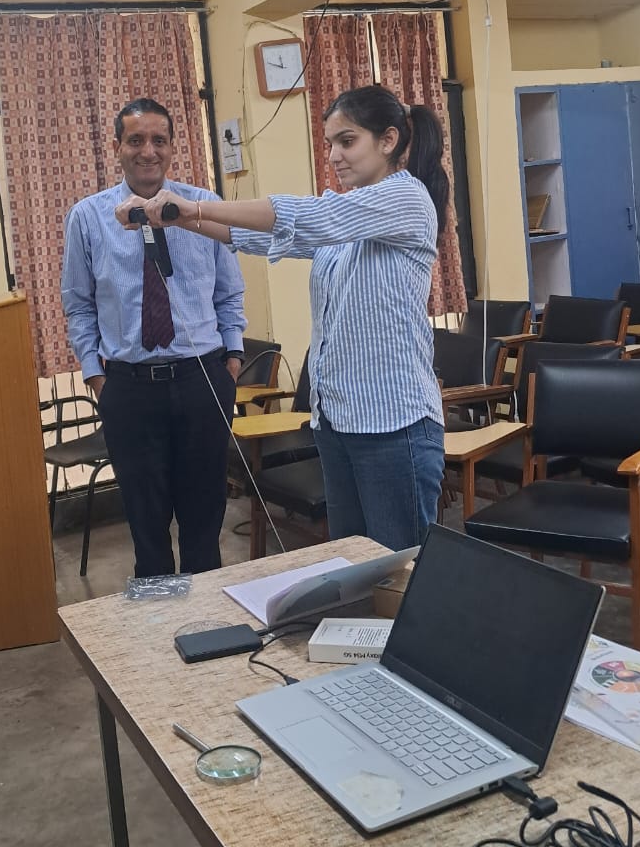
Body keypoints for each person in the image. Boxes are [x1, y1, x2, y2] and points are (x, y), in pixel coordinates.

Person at [118, 85, 447, 552]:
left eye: (347, 141)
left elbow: (305, 214)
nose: (333, 156)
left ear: (388, 140)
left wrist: (194, 206)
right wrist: (172, 219)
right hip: (339, 421)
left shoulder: (404, 199)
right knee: (354, 562)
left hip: (393, 424)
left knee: (400, 569)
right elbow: (260, 236)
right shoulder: (350, 216)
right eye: (329, 143)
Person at [61, 97, 246, 578]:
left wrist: (232, 356)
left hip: (202, 380)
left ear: (172, 147)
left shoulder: (203, 206)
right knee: (147, 529)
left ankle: (207, 615)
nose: (148, 151)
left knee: (204, 522)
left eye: (159, 140)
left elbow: (229, 292)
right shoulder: (88, 217)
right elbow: (78, 303)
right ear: (117, 147)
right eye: (136, 140)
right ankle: (158, 619)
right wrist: (96, 375)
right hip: (129, 387)